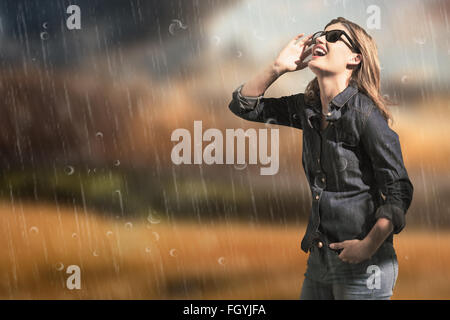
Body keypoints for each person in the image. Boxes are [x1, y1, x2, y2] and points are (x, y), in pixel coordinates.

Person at [227, 17, 413, 300]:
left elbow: (398, 190)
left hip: (364, 266)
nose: (321, 40)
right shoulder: (307, 108)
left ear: (355, 58)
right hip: (319, 259)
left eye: (335, 36)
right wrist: (277, 68)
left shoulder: (365, 115)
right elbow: (245, 106)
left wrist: (368, 245)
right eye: (320, 35)